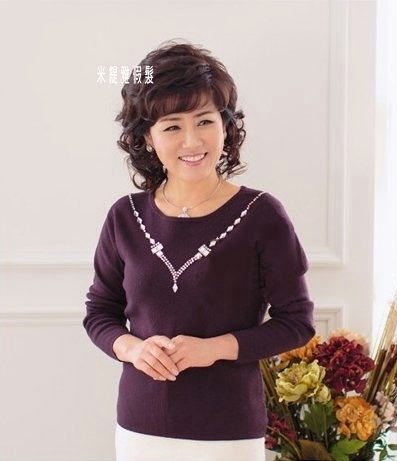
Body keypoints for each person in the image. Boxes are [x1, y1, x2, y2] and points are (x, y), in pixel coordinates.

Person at [83, 41, 315, 461]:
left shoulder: (262, 215)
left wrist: (213, 349)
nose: (192, 140)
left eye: (205, 121)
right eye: (172, 126)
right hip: (139, 427)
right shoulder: (125, 216)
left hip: (228, 431)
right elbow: (100, 312)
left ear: (226, 126)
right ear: (148, 138)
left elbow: (296, 323)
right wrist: (132, 348)